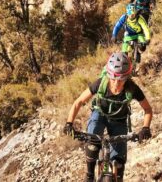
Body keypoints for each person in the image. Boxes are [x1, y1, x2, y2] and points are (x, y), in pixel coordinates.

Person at [63, 52, 153, 182]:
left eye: (121, 79)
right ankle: (89, 174)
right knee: (93, 140)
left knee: (119, 161)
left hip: (119, 120)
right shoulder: (101, 83)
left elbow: (148, 109)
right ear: (108, 75)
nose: (116, 82)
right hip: (100, 114)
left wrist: (145, 128)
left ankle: (118, 177)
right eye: (113, 78)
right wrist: (69, 123)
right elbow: (78, 102)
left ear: (127, 77)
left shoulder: (132, 88)